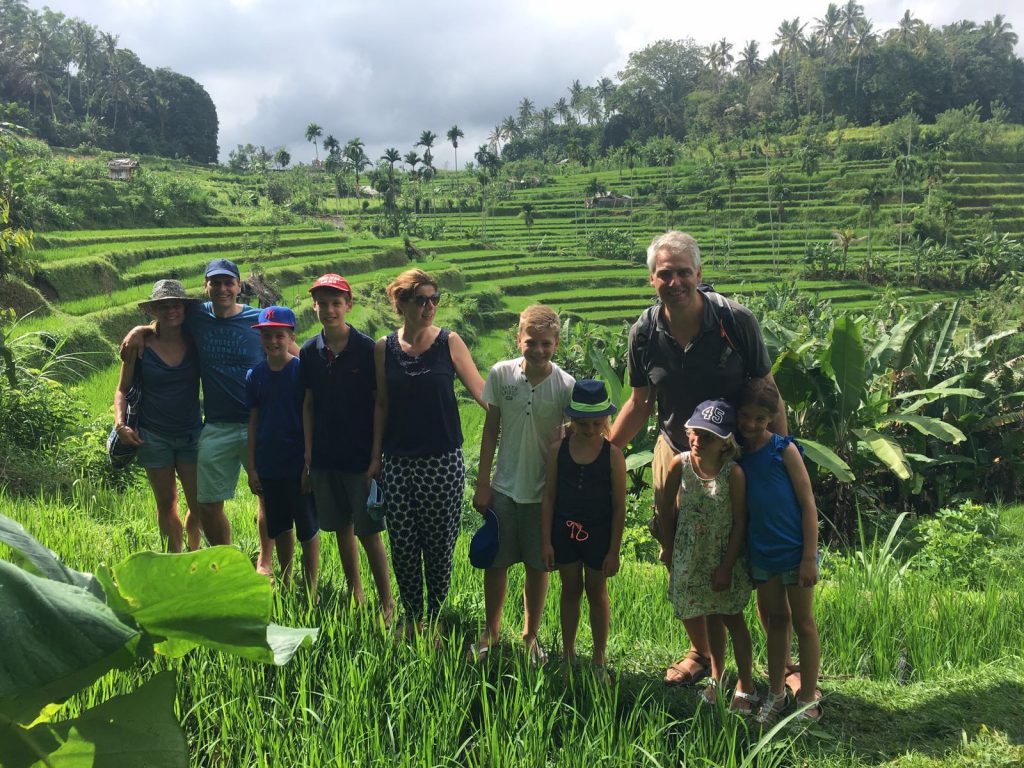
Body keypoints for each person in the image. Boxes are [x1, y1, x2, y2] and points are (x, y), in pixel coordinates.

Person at [607, 230, 788, 687]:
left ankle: (784, 664)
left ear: (699, 275)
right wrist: (602, 450)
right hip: (676, 450)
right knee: (679, 550)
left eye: (683, 272)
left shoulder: (734, 321)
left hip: (737, 452)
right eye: (664, 274)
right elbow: (640, 403)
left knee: (754, 549)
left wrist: (781, 457)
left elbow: (770, 394)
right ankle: (702, 652)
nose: (675, 281)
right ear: (652, 279)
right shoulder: (645, 333)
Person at [120, 259, 276, 572]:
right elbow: (164, 322)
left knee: (267, 494)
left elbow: (288, 350)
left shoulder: (257, 320)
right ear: (206, 287)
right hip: (212, 425)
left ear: (238, 285)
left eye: (228, 282)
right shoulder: (197, 319)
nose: (222, 289)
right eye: (215, 283)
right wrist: (139, 330)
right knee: (204, 503)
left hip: (256, 422)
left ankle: (265, 561)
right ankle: (218, 561)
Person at [371, 269, 485, 637]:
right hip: (398, 461)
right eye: (421, 300)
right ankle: (412, 616)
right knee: (403, 545)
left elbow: (483, 394)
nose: (430, 306)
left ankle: (433, 618)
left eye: (435, 299)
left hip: (441, 461)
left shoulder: (450, 343)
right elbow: (381, 405)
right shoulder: (382, 347)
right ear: (400, 303)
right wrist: (375, 458)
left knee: (438, 546)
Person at [471, 305, 575, 663]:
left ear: (556, 343)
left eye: (546, 343)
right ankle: (492, 630)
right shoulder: (501, 375)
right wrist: (483, 483)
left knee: (537, 565)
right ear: (519, 340)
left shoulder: (566, 386)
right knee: (496, 563)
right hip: (503, 486)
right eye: (531, 342)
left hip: (543, 493)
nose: (539, 350)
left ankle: (531, 635)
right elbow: (490, 431)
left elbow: (568, 439)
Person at [300, 273, 395, 621]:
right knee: (340, 528)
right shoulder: (310, 351)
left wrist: (375, 456)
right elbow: (308, 404)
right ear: (314, 307)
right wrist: (308, 455)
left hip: (359, 460)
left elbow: (378, 405)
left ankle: (386, 602)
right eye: (322, 304)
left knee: (369, 532)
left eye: (335, 303)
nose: (329, 310)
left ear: (348, 305)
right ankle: (356, 594)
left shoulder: (367, 349)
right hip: (324, 458)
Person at [658, 399, 757, 713]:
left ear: (725, 442)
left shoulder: (734, 474)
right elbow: (665, 508)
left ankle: (746, 684)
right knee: (709, 614)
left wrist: (727, 566)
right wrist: (670, 546)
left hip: (722, 556)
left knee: (732, 618)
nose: (699, 440)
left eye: (709, 436)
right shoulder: (681, 463)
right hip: (692, 553)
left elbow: (740, 521)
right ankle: (717, 676)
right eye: (695, 432)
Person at [736, 378, 822, 724]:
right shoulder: (738, 453)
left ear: (771, 418)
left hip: (793, 552)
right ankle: (776, 693)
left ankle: (807, 697)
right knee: (775, 623)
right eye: (745, 416)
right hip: (763, 554)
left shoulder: (783, 449)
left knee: (803, 623)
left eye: (760, 418)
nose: (751, 424)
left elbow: (808, 504)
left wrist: (808, 556)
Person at [541, 379, 626, 680]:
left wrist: (614, 550)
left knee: (596, 591)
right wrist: (546, 541)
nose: (590, 431)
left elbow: (619, 507)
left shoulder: (612, 455)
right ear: (572, 420)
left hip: (598, 535)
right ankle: (568, 654)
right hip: (563, 532)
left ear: (605, 421)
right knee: (570, 590)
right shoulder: (558, 450)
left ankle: (599, 660)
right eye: (583, 424)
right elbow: (549, 496)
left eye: (596, 424)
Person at [113, 279, 202, 553]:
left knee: (199, 504)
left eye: (176, 304)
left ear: (184, 308)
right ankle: (174, 560)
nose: (171, 310)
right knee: (166, 503)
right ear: (154, 310)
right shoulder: (140, 346)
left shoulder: (197, 341)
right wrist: (120, 424)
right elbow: (122, 390)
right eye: (163, 305)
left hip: (191, 434)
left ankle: (194, 553)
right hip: (152, 437)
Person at [245, 306, 320, 593]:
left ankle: (311, 588)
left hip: (298, 463)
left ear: (291, 336)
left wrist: (308, 462)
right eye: (267, 335)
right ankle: (287, 582)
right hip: (269, 463)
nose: (273, 341)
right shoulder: (255, 375)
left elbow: (309, 414)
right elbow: (253, 423)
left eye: (279, 335)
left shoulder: (301, 372)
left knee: (308, 528)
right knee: (280, 526)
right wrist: (252, 467)